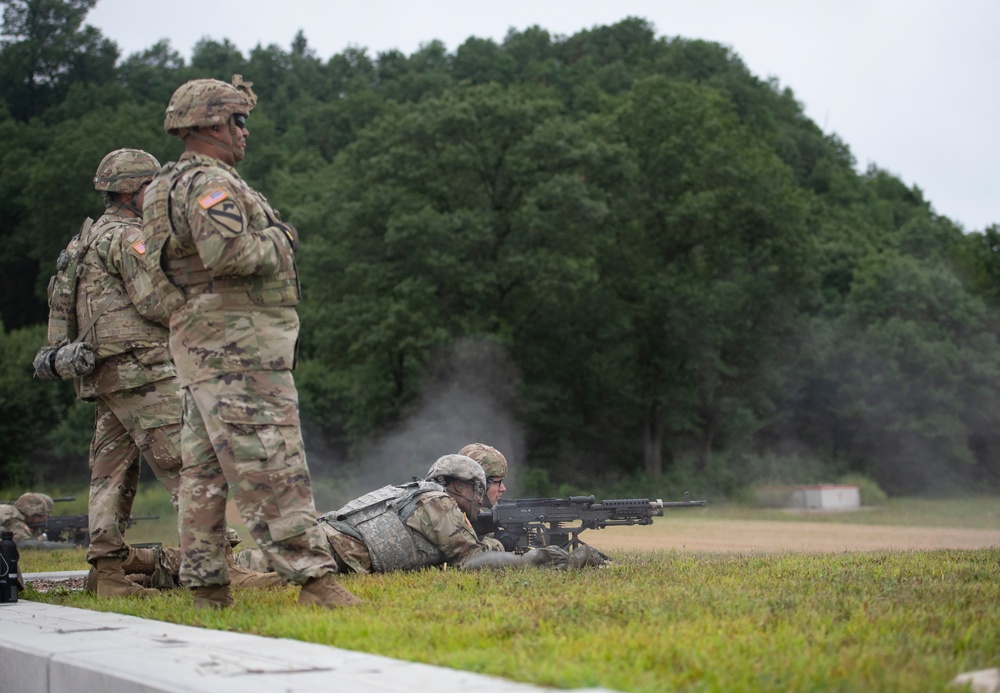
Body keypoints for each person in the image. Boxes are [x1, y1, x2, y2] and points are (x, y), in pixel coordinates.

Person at [142, 75, 357, 610]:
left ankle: (207, 589)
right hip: (240, 349)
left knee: (204, 475)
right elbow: (231, 254)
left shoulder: (159, 189)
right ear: (210, 124)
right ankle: (315, 583)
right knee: (273, 460)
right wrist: (281, 238)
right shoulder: (211, 185)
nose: (245, 133)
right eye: (239, 121)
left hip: (198, 349)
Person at [34, 149, 187, 597]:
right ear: (129, 191)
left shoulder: (81, 242)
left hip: (105, 373)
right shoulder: (129, 238)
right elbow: (156, 303)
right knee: (191, 464)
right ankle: (218, 565)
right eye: (151, 186)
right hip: (142, 371)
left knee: (111, 473)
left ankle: (108, 572)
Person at [236, 454, 569, 574]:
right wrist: (529, 558)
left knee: (255, 561)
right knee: (250, 566)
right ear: (460, 487)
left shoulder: (422, 494)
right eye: (478, 490)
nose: (479, 500)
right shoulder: (438, 503)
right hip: (331, 550)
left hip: (328, 541)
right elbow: (470, 561)